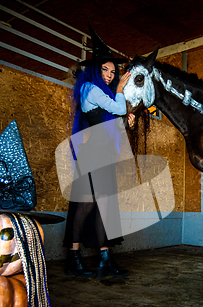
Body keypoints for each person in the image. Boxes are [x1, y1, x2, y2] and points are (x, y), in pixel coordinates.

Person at [63, 26, 135, 278]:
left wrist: (127, 119)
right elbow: (117, 108)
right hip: (93, 152)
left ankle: (105, 258)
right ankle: (73, 257)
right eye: (105, 69)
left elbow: (114, 116)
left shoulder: (102, 93)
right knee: (85, 204)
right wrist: (121, 89)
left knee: (104, 206)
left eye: (113, 72)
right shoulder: (90, 89)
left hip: (103, 151)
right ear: (95, 69)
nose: (110, 74)